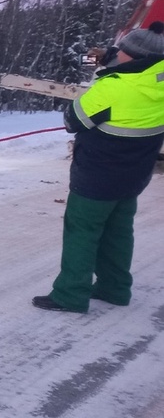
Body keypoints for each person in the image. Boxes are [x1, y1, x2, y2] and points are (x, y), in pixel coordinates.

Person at [33, 20, 164, 313]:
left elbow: (72, 120)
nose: (117, 51)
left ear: (131, 56)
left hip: (97, 177)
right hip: (134, 177)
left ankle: (70, 295)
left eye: (123, 50)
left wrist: (104, 74)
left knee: (82, 231)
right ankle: (114, 288)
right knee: (118, 232)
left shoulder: (113, 88)